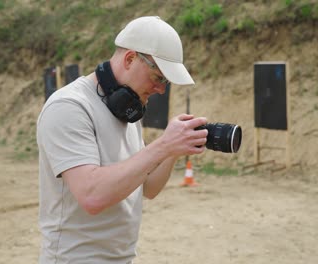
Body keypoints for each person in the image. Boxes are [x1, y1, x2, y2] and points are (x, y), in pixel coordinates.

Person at [37, 16, 208, 264]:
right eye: (159, 78)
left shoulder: (127, 108)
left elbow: (148, 187)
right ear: (130, 59)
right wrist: (163, 145)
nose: (161, 89)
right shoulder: (69, 107)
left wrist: (172, 150)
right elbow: (92, 196)